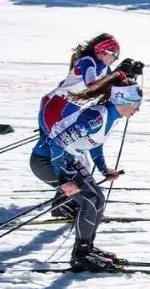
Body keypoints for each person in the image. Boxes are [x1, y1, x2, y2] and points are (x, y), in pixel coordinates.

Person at [29, 82, 143, 272]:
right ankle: (80, 255)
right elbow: (57, 144)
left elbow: (95, 143)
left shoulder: (111, 116)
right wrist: (63, 180)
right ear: (121, 100)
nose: (137, 109)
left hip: (65, 159)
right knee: (88, 200)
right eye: (135, 104)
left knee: (98, 198)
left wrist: (103, 169)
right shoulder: (96, 117)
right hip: (46, 161)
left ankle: (87, 248)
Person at [35, 34, 132, 219]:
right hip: (57, 109)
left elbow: (110, 86)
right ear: (103, 51)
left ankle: (67, 199)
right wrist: (115, 74)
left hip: (67, 110)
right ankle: (64, 201)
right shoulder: (88, 61)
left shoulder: (103, 65)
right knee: (72, 156)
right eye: (114, 54)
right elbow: (92, 86)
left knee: (81, 161)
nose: (115, 59)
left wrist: (128, 74)